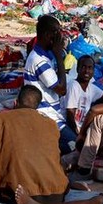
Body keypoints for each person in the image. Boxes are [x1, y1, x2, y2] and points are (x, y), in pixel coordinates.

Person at [0, 85, 69, 204]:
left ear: (16, 102)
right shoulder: (51, 124)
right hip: (57, 196)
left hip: (17, 196)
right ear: (37, 107)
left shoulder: (2, 119)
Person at [24, 15, 73, 154]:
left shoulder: (43, 55)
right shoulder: (39, 61)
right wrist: (59, 55)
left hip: (52, 112)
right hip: (46, 115)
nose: (60, 37)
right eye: (57, 33)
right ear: (47, 35)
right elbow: (61, 90)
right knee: (74, 146)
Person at [63, 55, 103, 134]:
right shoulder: (73, 86)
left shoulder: (91, 88)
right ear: (78, 69)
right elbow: (70, 115)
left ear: (93, 71)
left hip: (83, 128)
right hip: (70, 127)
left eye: (90, 68)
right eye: (83, 67)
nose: (87, 71)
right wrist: (79, 135)